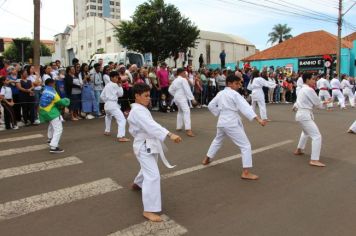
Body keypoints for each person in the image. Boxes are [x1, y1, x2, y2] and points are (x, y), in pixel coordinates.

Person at [128, 83, 182, 222]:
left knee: (148, 168)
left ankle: (137, 183)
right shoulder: (138, 111)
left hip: (150, 144)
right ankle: (149, 210)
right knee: (153, 176)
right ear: (137, 96)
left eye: (149, 95)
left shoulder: (141, 109)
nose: (149, 98)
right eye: (145, 96)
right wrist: (169, 134)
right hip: (144, 146)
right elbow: (152, 126)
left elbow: (151, 126)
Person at [202, 74, 266, 180]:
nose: (238, 85)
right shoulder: (234, 95)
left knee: (217, 140)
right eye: (236, 83)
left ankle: (206, 159)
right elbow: (245, 107)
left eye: (239, 83)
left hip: (222, 122)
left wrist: (219, 113)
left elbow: (210, 105)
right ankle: (245, 172)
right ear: (229, 84)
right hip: (231, 122)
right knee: (245, 145)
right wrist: (258, 119)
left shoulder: (220, 93)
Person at [294, 73, 331, 167]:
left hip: (301, 114)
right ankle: (314, 159)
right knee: (317, 136)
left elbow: (297, 102)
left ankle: (299, 149)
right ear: (307, 80)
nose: (314, 81)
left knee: (306, 132)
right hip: (304, 115)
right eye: (313, 79)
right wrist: (326, 102)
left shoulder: (302, 89)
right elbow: (318, 104)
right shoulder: (309, 89)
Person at [39, 78, 70, 153]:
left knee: (51, 125)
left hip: (43, 111)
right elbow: (60, 102)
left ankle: (50, 139)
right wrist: (67, 101)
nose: (55, 85)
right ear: (51, 84)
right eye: (54, 84)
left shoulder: (43, 90)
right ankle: (53, 146)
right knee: (58, 128)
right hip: (51, 112)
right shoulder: (53, 92)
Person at [100, 71, 130, 142]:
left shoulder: (107, 85)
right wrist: (120, 86)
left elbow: (101, 96)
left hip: (107, 104)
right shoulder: (116, 85)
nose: (117, 79)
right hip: (112, 104)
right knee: (122, 119)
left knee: (108, 116)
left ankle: (107, 131)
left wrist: (107, 101)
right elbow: (121, 94)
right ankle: (121, 136)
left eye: (117, 77)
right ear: (111, 78)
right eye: (116, 77)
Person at [168, 68, 197, 137]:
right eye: (184, 73)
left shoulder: (175, 80)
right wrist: (192, 99)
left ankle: (179, 127)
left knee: (180, 111)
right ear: (181, 73)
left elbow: (170, 90)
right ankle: (188, 129)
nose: (185, 74)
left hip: (177, 98)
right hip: (181, 98)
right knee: (187, 111)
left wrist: (175, 94)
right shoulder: (183, 80)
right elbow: (187, 90)